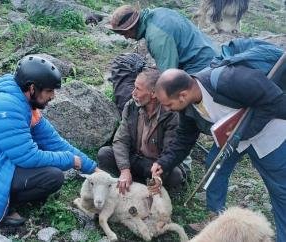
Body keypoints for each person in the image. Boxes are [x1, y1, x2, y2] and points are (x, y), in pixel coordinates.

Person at [150, 68, 286, 242]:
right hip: (232, 139)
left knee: (281, 191)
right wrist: (165, 162)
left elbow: (276, 102)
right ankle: (216, 218)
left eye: (168, 105)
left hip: (269, 136)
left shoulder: (231, 79)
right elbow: (184, 137)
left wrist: (244, 131)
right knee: (214, 170)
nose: (168, 109)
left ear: (182, 95)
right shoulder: (187, 107)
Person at [0, 55, 98, 226]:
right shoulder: (6, 106)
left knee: (50, 168)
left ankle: (9, 195)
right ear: (32, 88)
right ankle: (1, 203)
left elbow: (54, 142)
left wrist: (93, 169)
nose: (53, 96)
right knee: (52, 176)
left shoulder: (24, 104)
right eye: (49, 91)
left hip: (3, 161)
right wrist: (69, 160)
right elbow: (27, 156)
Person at [97, 68, 187, 195]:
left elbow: (169, 151)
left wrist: (158, 173)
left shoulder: (171, 114)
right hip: (133, 159)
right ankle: (128, 181)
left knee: (175, 175)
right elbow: (121, 140)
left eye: (138, 89)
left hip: (154, 166)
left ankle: (146, 186)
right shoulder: (131, 106)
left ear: (153, 94)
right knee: (105, 154)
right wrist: (124, 169)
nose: (133, 93)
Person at [106, 5, 217, 74]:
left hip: (201, 67)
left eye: (125, 33)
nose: (126, 37)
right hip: (211, 52)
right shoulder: (158, 12)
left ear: (132, 26)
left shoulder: (156, 36)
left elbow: (169, 75)